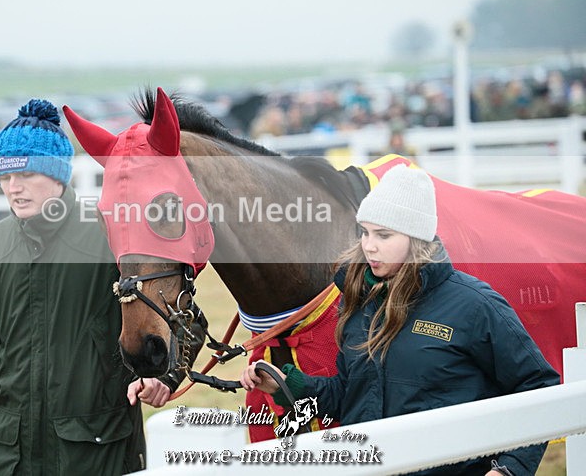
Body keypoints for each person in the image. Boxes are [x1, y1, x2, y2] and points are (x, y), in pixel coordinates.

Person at [240, 164, 560, 476]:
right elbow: (350, 395)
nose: (369, 245)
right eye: (364, 232)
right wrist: (287, 385)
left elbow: (537, 387)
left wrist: (509, 469)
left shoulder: (474, 305)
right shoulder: (360, 303)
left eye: (384, 234)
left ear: (415, 238)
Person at [0, 99, 170, 476]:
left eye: (26, 175)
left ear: (57, 175)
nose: (14, 188)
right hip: (6, 458)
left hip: (96, 454)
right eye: (4, 178)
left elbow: (184, 319)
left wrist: (163, 376)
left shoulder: (110, 234)